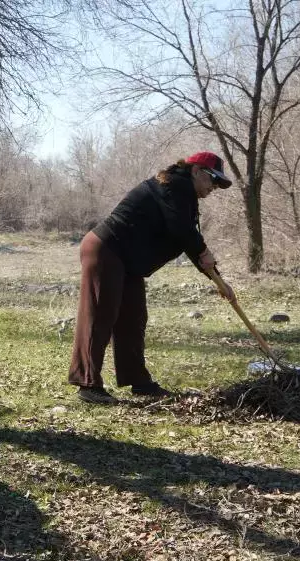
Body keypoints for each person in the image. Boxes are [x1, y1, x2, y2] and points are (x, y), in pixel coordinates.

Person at [69, 151, 237, 404]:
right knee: (100, 316)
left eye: (218, 183)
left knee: (133, 318)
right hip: (106, 250)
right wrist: (204, 252)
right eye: (213, 179)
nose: (214, 187)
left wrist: (219, 281)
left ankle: (139, 382)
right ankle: (87, 384)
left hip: (128, 260)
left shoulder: (184, 196)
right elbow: (183, 231)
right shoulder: (173, 186)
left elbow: (187, 239)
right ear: (196, 171)